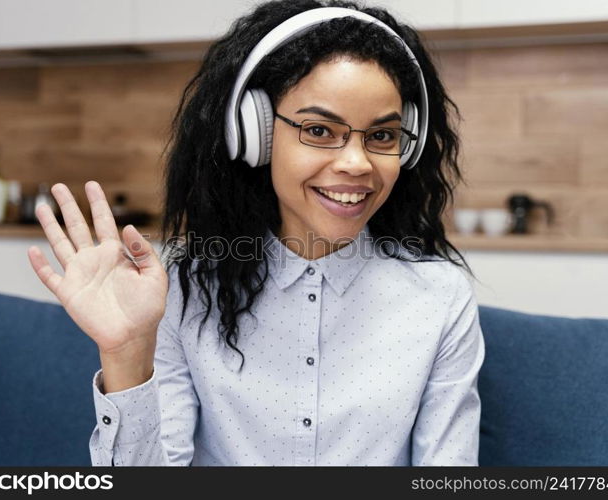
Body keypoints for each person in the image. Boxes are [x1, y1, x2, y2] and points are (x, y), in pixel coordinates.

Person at [28, 0, 485, 466]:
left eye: (382, 136)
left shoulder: (440, 298)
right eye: (319, 130)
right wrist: (126, 352)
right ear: (257, 134)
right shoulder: (183, 289)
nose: (356, 163)